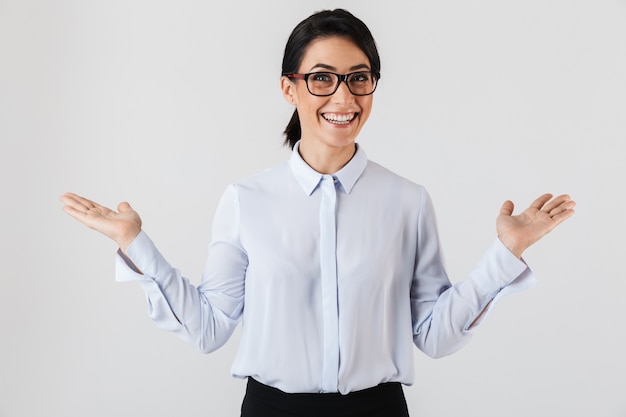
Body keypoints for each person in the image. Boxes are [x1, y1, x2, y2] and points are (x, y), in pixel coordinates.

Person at [60, 8, 575, 417]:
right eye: (322, 78)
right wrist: (134, 243)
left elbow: (435, 335)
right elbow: (209, 327)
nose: (344, 96)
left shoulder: (407, 201)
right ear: (290, 88)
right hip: (271, 411)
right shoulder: (247, 199)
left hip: (379, 410)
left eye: (359, 77)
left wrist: (507, 253)